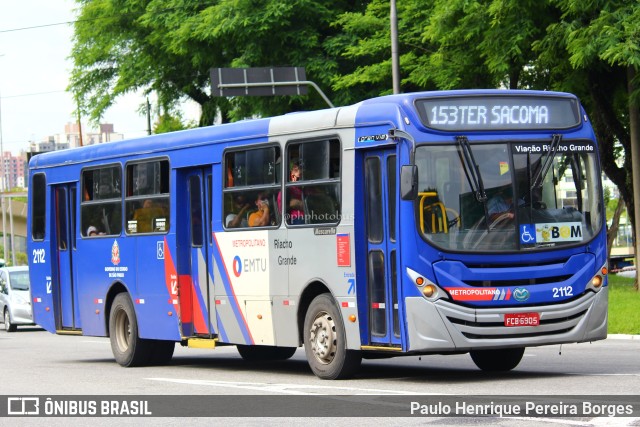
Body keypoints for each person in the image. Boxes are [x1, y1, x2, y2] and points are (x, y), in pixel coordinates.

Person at [278, 160, 305, 225]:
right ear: (290, 173)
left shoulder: (304, 188)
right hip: (297, 218)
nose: (299, 174)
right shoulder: (287, 189)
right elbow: (292, 203)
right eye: (295, 171)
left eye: (301, 170)